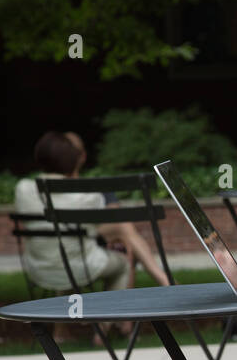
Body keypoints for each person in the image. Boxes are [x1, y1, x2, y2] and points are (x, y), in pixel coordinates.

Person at [14, 130, 170, 338]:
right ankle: (103, 330)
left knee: (68, 251)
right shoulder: (87, 196)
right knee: (123, 262)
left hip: (38, 269)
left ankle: (63, 333)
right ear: (76, 161)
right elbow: (99, 228)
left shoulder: (23, 188)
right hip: (80, 267)